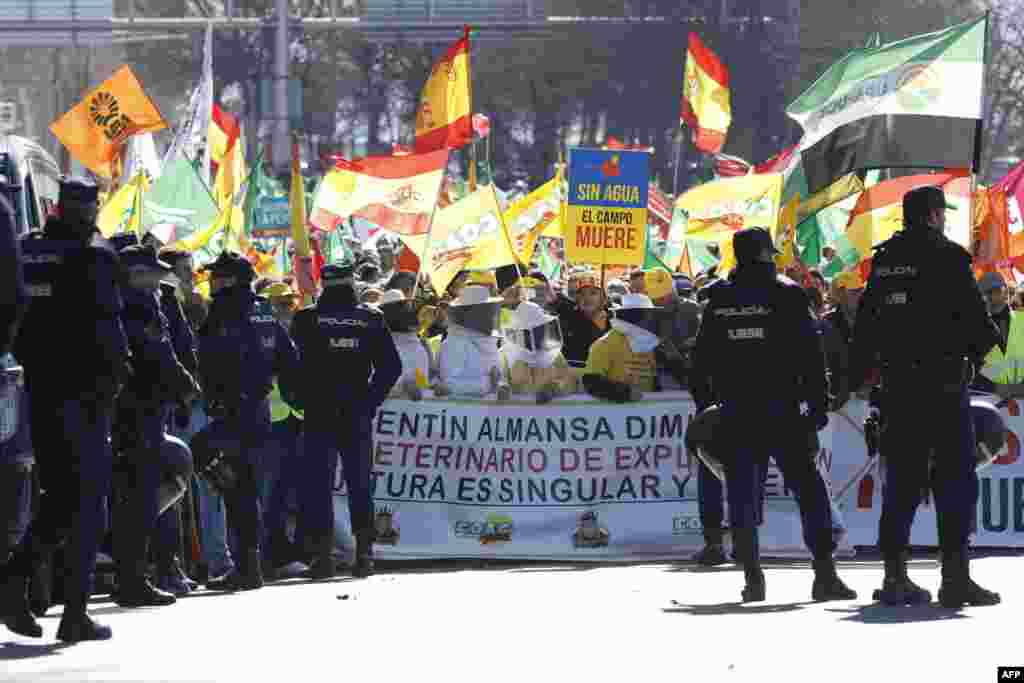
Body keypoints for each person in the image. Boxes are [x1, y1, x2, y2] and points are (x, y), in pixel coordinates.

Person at [850, 185, 1002, 608]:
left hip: (898, 390)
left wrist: (857, 378)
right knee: (955, 483)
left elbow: (864, 330)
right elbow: (978, 323)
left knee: (900, 484)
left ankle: (894, 577)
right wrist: (978, 349)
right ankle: (955, 580)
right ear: (934, 216)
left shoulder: (883, 262)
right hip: (943, 388)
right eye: (943, 213)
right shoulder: (949, 256)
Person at [691, 227, 856, 603]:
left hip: (737, 413)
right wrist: (817, 406)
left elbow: (700, 364)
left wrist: (709, 408)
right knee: (810, 494)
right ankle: (825, 575)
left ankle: (752, 579)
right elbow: (812, 358)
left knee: (742, 497)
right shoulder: (788, 294)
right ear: (768, 253)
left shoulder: (719, 299)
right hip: (785, 413)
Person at [5, 177, 131, 641]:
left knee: (58, 500)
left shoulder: (27, 249)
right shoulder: (96, 256)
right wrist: (115, 385)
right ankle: (71, 612)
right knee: (87, 504)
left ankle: (16, 582)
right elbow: (110, 335)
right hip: (83, 396)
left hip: (32, 394)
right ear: (90, 208)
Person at [191, 251, 299, 592]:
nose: (211, 282)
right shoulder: (265, 312)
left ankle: (248, 566)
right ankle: (249, 565)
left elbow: (211, 360)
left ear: (230, 280)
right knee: (243, 487)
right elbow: (289, 360)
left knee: (225, 476)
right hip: (258, 411)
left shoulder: (225, 312)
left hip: (233, 411)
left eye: (216, 276)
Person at [290, 263, 402, 579]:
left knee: (318, 485)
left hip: (318, 411)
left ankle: (323, 557)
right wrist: (369, 402)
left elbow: (289, 366)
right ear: (351, 283)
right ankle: (364, 554)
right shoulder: (370, 318)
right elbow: (391, 368)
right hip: (355, 411)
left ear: (325, 284)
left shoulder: (306, 318)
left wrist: (298, 400)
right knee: (359, 484)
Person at [111, 245, 198, 607]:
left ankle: (132, 575)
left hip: (128, 410)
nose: (158, 279)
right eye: (151, 272)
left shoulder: (121, 300)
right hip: (140, 409)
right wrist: (186, 388)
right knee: (141, 497)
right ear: (136, 273)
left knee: (133, 496)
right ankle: (133, 579)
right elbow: (159, 352)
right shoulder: (139, 304)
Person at [583, 294, 661, 402]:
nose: (649, 319)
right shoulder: (605, 344)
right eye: (646, 315)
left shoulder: (651, 342)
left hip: (647, 411)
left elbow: (654, 376)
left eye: (650, 315)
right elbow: (591, 382)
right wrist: (625, 393)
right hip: (617, 412)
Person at [436, 285, 510, 400]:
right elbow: (448, 385)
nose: (488, 314)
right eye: (484, 310)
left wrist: (500, 386)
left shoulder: (488, 342)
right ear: (470, 313)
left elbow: (494, 377)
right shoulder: (454, 344)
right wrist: (490, 384)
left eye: (488, 309)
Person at [503, 301, 576, 403]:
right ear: (522, 332)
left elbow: (570, 381)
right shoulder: (506, 354)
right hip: (517, 413)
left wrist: (554, 389)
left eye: (542, 328)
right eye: (537, 329)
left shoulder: (553, 353)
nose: (541, 332)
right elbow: (498, 384)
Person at [974, 272, 1024, 398]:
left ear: (1005, 291)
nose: (989, 296)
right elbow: (978, 359)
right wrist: (998, 384)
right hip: (989, 394)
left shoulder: (1020, 320)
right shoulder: (977, 326)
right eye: (985, 292)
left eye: (993, 291)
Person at [379, 289, 431, 401]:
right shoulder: (376, 343)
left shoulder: (417, 346)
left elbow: (422, 381)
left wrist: (418, 387)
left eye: (404, 307)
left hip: (407, 412)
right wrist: (402, 384)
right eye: (400, 308)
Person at [552, 271, 609, 366]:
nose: (587, 298)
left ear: (603, 298)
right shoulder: (566, 321)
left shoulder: (616, 321)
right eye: (582, 294)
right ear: (577, 299)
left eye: (593, 293)